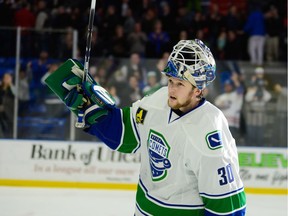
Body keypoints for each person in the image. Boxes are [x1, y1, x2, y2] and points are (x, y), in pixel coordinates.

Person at [45, 39, 246, 215]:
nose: (171, 89)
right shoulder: (158, 100)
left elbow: (229, 208)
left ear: (199, 90)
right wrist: (92, 109)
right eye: (170, 81)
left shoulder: (210, 135)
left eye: (180, 84)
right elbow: (125, 134)